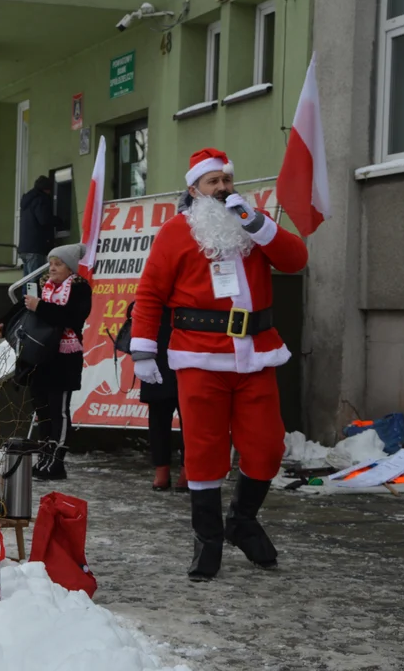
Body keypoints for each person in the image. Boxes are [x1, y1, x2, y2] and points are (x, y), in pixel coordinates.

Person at [130, 147, 307, 582]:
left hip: (256, 356)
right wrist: (143, 350)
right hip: (199, 357)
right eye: (214, 182)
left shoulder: (254, 225)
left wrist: (258, 224)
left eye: (227, 180)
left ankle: (242, 521)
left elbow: (295, 260)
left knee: (267, 447)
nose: (224, 188)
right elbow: (151, 293)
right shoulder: (175, 232)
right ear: (195, 189)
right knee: (205, 451)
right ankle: (207, 539)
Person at [0, 243, 93, 480]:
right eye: (51, 263)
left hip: (64, 357)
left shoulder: (80, 288)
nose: (53, 268)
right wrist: (2, 323)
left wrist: (41, 307)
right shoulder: (39, 285)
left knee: (59, 411)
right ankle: (44, 455)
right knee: (42, 409)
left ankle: (58, 460)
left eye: (58, 264)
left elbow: (72, 317)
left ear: (70, 268)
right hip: (38, 356)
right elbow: (21, 307)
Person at [137, 302, 186, 492]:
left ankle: (187, 469)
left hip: (188, 351)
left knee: (191, 418)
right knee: (158, 417)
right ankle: (161, 470)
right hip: (157, 352)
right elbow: (136, 306)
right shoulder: (155, 283)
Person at [18, 175, 57, 277]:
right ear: (47, 189)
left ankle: (25, 294)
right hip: (36, 248)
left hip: (25, 247)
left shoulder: (28, 200)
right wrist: (59, 221)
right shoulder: (40, 199)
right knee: (35, 280)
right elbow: (44, 220)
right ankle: (33, 294)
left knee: (27, 281)